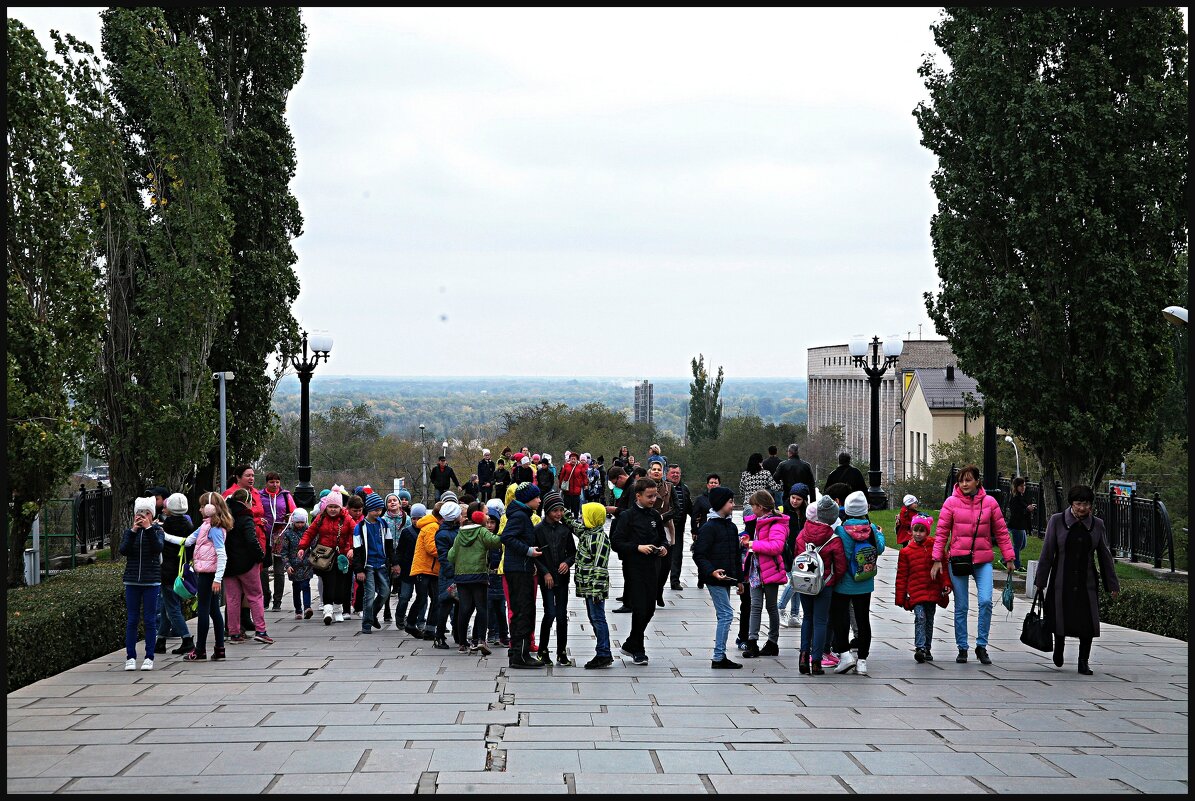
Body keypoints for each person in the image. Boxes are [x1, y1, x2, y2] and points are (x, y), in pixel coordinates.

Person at [930, 464, 1015, 665]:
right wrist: (936, 559)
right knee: (962, 606)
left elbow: (1002, 532)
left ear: (978, 481)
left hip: (982, 560)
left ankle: (981, 645)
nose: (964, 484)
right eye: (961, 480)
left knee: (985, 601)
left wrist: (1009, 557)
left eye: (968, 480)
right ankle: (962, 647)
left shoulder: (990, 503)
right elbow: (941, 532)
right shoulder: (951, 503)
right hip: (958, 560)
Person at [1036, 485, 1120, 675]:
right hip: (1061, 580)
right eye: (1079, 504)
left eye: (1086, 504)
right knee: (1059, 617)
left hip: (1087, 581)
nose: (1082, 508)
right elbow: (1047, 553)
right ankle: (1059, 648)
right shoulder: (1057, 521)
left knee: (1087, 622)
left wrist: (1112, 584)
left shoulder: (1097, 524)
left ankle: (1084, 661)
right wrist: (1040, 581)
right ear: (1071, 504)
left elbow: (1105, 556)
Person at [609, 477, 668, 665]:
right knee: (640, 607)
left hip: (653, 567)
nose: (653, 500)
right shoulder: (627, 516)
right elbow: (616, 543)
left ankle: (630, 642)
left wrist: (664, 547)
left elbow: (661, 538)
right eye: (649, 496)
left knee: (650, 608)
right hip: (634, 567)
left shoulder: (654, 516)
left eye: (654, 496)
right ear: (638, 496)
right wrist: (637, 547)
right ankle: (639, 649)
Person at [831, 491, 885, 676]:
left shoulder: (840, 531)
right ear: (865, 509)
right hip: (864, 582)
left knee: (841, 619)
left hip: (843, 583)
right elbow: (880, 548)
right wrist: (881, 535)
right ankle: (862, 660)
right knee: (863, 620)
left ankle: (845, 656)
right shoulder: (870, 529)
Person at [794, 495, 849, 675]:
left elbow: (796, 557)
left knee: (807, 619)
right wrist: (831, 580)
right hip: (824, 585)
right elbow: (840, 566)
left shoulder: (802, 534)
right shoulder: (833, 539)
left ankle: (803, 656)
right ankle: (816, 661)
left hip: (804, 584)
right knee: (820, 622)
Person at [692, 486, 743, 669]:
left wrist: (739, 580)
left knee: (725, 614)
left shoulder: (731, 526)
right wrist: (711, 571)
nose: (733, 505)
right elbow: (699, 554)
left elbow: (736, 555)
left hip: (727, 578)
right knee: (726, 615)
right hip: (715, 579)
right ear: (721, 504)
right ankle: (718, 656)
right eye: (730, 502)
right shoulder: (709, 527)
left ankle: (720, 655)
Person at [895, 514, 950, 663]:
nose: (918, 534)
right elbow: (902, 575)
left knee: (929, 619)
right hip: (915, 591)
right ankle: (920, 647)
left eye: (921, 531)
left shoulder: (935, 548)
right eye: (915, 530)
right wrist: (901, 596)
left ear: (927, 532)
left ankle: (927, 647)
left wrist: (946, 585)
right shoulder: (906, 552)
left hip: (932, 590)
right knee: (920, 617)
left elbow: (943, 567)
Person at [502, 482, 546, 669]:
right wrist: (528, 551)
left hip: (520, 568)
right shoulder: (520, 516)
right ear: (528, 499)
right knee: (523, 611)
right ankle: (520, 655)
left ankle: (518, 652)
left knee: (522, 611)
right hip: (519, 569)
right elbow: (506, 537)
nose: (539, 500)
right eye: (536, 497)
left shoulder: (521, 514)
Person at [741, 490, 788, 658]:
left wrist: (752, 544)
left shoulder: (777, 523)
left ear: (760, 507)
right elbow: (749, 534)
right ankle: (752, 642)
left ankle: (772, 642)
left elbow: (776, 547)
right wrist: (745, 537)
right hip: (755, 570)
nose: (751, 509)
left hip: (770, 570)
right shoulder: (756, 520)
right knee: (755, 606)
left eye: (753, 505)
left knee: (771, 607)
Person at [182, 493, 229, 662]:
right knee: (214, 611)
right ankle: (219, 648)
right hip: (209, 575)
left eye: (202, 506)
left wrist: (217, 579)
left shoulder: (214, 529)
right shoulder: (206, 527)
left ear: (210, 508)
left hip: (208, 576)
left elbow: (222, 555)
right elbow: (187, 541)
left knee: (203, 611)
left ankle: (200, 649)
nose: (200, 509)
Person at [449, 509, 503, 654]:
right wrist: (503, 532)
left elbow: (451, 556)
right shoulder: (482, 531)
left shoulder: (460, 534)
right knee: (481, 607)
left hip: (461, 576)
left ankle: (461, 643)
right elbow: (496, 543)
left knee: (464, 609)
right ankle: (481, 640)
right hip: (479, 575)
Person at [533, 492, 578, 666]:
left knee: (561, 615)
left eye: (561, 510)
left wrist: (567, 563)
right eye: (555, 511)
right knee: (549, 613)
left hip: (562, 577)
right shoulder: (538, 530)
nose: (558, 514)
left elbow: (572, 553)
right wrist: (544, 572)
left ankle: (561, 651)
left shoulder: (564, 530)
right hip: (547, 578)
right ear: (547, 511)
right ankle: (543, 650)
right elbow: (535, 555)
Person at [121, 497, 165, 671]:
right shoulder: (130, 532)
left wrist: (148, 529)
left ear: (152, 515)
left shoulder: (157, 531)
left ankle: (149, 656)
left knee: (149, 619)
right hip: (132, 580)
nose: (142, 516)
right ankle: (130, 656)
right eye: (139, 513)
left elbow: (157, 548)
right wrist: (133, 531)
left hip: (151, 581)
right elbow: (123, 550)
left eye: (146, 513)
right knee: (132, 619)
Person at [299, 491, 354, 626]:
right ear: (326, 507)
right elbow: (310, 532)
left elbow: (355, 533)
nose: (333, 509)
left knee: (340, 584)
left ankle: (338, 609)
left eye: (336, 507)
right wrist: (302, 547)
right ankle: (328, 610)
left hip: (342, 556)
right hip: (325, 557)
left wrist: (351, 548)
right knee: (328, 582)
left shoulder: (347, 519)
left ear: (341, 507)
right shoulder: (320, 518)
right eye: (330, 507)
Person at [223, 488, 271, 644]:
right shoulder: (246, 517)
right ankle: (261, 630)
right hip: (247, 563)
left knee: (232, 599)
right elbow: (251, 540)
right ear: (246, 501)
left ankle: (234, 633)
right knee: (255, 595)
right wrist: (260, 556)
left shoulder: (225, 517)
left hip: (228, 565)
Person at [571, 501, 614, 669]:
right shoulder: (588, 533)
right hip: (588, 587)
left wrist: (596, 591)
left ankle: (604, 653)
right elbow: (574, 525)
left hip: (595, 588)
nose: (581, 518)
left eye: (584, 515)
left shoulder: (599, 539)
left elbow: (599, 567)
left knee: (598, 618)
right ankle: (603, 651)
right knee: (594, 618)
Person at [222, 465, 269, 612]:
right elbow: (230, 518)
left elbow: (258, 512)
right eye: (248, 475)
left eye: (253, 475)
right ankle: (234, 624)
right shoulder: (230, 494)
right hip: (240, 542)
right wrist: (256, 521)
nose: (251, 478)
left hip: (257, 538)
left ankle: (246, 615)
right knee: (239, 583)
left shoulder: (255, 493)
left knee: (253, 581)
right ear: (238, 477)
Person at [155, 492, 194, 656]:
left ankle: (187, 640)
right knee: (166, 605)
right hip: (181, 570)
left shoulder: (166, 526)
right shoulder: (188, 525)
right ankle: (161, 640)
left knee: (172, 608)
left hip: (167, 571)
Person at [352, 493, 396, 634]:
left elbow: (389, 546)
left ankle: (371, 615)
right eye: (375, 510)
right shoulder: (360, 527)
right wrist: (359, 570)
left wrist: (394, 563)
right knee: (369, 595)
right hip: (368, 565)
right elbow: (357, 550)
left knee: (385, 592)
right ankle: (366, 623)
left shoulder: (383, 524)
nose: (378, 512)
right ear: (368, 509)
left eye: (380, 510)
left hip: (382, 564)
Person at [260, 471, 296, 611]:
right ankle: (266, 595)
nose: (275, 484)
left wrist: (289, 517)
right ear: (266, 483)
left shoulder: (286, 495)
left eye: (277, 482)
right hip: (264, 536)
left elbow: (294, 512)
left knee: (279, 570)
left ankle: (277, 600)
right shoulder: (259, 495)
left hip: (280, 537)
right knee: (262, 569)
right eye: (271, 482)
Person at [777, 483, 812, 628]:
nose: (794, 501)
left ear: (804, 500)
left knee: (798, 583)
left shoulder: (807, 513)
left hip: (802, 552)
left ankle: (794, 614)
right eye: (793, 497)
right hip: (788, 551)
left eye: (798, 499)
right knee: (795, 582)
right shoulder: (783, 510)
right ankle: (780, 607)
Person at [646, 457, 676, 607]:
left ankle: (659, 590)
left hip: (665, 526)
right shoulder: (643, 486)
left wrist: (663, 516)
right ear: (649, 472)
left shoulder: (669, 487)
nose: (657, 472)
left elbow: (676, 508)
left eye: (659, 469)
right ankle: (651, 591)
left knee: (666, 564)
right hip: (647, 527)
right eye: (654, 469)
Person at [404, 503, 437, 638]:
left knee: (433, 598)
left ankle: (427, 628)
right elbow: (431, 548)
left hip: (430, 568)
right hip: (425, 568)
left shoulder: (432, 526)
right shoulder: (431, 527)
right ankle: (412, 624)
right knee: (423, 598)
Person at [433, 501, 462, 648]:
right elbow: (444, 557)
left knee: (458, 605)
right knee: (445, 605)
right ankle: (439, 637)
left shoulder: (452, 531)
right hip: (449, 574)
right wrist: (453, 574)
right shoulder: (444, 534)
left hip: (455, 572)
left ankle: (457, 635)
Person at [381, 493, 412, 625]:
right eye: (389, 501)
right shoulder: (383, 519)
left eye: (395, 500)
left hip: (403, 555)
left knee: (401, 585)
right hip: (387, 555)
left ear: (399, 504)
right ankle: (386, 610)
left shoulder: (407, 519)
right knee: (387, 584)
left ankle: (401, 611)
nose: (392, 502)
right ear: (386, 505)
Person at [483, 502, 510, 647]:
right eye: (487, 522)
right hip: (487, 577)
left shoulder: (500, 540)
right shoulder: (484, 538)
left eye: (492, 522)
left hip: (498, 576)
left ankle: (503, 634)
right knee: (489, 607)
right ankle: (491, 632)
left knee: (500, 607)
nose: (489, 525)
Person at [279, 508, 314, 620]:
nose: (300, 524)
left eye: (302, 522)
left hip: (306, 565)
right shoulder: (288, 534)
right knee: (296, 588)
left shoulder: (309, 531)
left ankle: (307, 607)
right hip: (293, 566)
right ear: (293, 521)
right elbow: (284, 552)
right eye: (297, 522)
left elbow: (313, 545)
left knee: (306, 586)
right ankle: (298, 610)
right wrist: (287, 565)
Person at [665, 464, 692, 591]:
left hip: (679, 527)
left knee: (677, 555)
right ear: (667, 475)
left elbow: (690, 507)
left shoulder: (684, 489)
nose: (675, 475)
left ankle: (675, 580)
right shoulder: (662, 487)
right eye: (673, 473)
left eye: (677, 473)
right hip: (664, 526)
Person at [1006, 478, 1036, 571]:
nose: (1023, 487)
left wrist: (1029, 508)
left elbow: (1024, 508)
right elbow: (1016, 512)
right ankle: (1017, 565)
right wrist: (1027, 509)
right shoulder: (1015, 498)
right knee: (1017, 546)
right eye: (1021, 486)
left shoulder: (1021, 497)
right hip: (1016, 525)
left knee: (1022, 545)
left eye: (1024, 485)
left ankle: (1005, 558)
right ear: (1016, 487)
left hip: (1021, 525)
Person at [558, 452, 587, 517]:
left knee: (576, 506)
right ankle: (566, 518)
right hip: (567, 489)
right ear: (569, 459)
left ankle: (576, 518)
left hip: (576, 490)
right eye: (572, 459)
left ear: (577, 460)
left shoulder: (580, 466)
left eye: (574, 459)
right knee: (566, 505)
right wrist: (560, 485)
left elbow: (584, 476)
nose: (573, 460)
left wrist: (585, 484)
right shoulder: (566, 466)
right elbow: (562, 475)